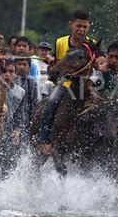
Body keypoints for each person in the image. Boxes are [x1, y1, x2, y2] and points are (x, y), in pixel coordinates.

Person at [38, 10, 93, 151]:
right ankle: (44, 139)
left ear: (89, 27)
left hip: (84, 85)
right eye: (78, 26)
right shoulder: (60, 42)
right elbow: (56, 62)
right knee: (50, 103)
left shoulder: (91, 44)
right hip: (65, 83)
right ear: (71, 25)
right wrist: (50, 61)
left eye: (84, 27)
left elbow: (98, 62)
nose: (81, 30)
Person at [0, 61, 26, 181]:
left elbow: (20, 114)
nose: (7, 75)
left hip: (8, 130)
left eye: (11, 72)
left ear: (15, 74)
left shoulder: (20, 92)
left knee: (8, 161)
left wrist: (18, 130)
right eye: (4, 72)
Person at [13, 58, 39, 145]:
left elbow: (36, 102)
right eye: (19, 64)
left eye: (25, 64)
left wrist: (34, 119)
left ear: (29, 67)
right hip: (12, 119)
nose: (22, 67)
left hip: (27, 119)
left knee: (25, 145)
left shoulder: (32, 82)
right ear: (15, 66)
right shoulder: (11, 80)